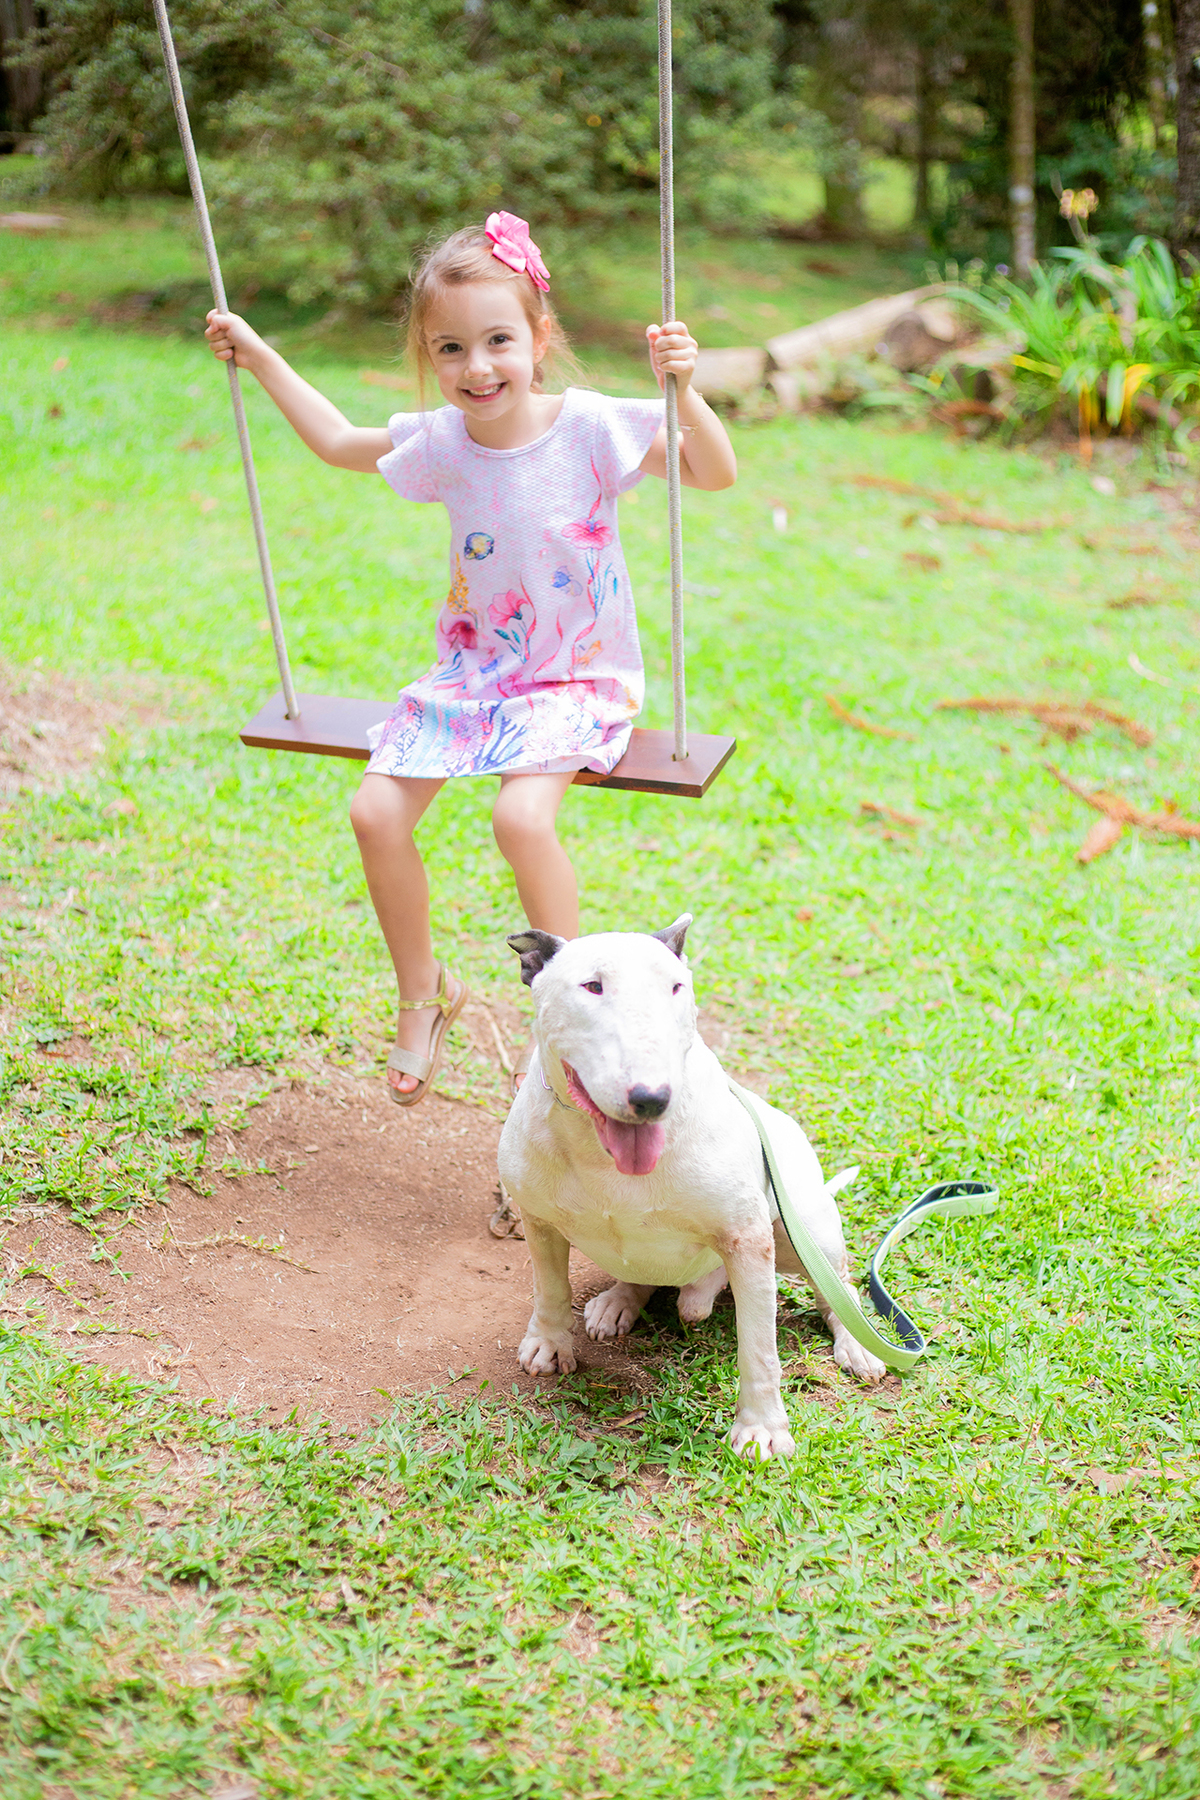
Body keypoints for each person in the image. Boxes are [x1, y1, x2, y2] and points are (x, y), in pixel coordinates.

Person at [204, 210, 736, 1104]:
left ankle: (569, 1026)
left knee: (521, 822)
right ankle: (426, 994)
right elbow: (337, 443)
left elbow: (713, 470)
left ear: (539, 338)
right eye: (449, 349)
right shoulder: (444, 442)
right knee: (374, 814)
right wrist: (257, 354)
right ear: (426, 353)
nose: (477, 367)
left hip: (576, 676)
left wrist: (688, 389)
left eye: (498, 341)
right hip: (475, 678)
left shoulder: (594, 428)